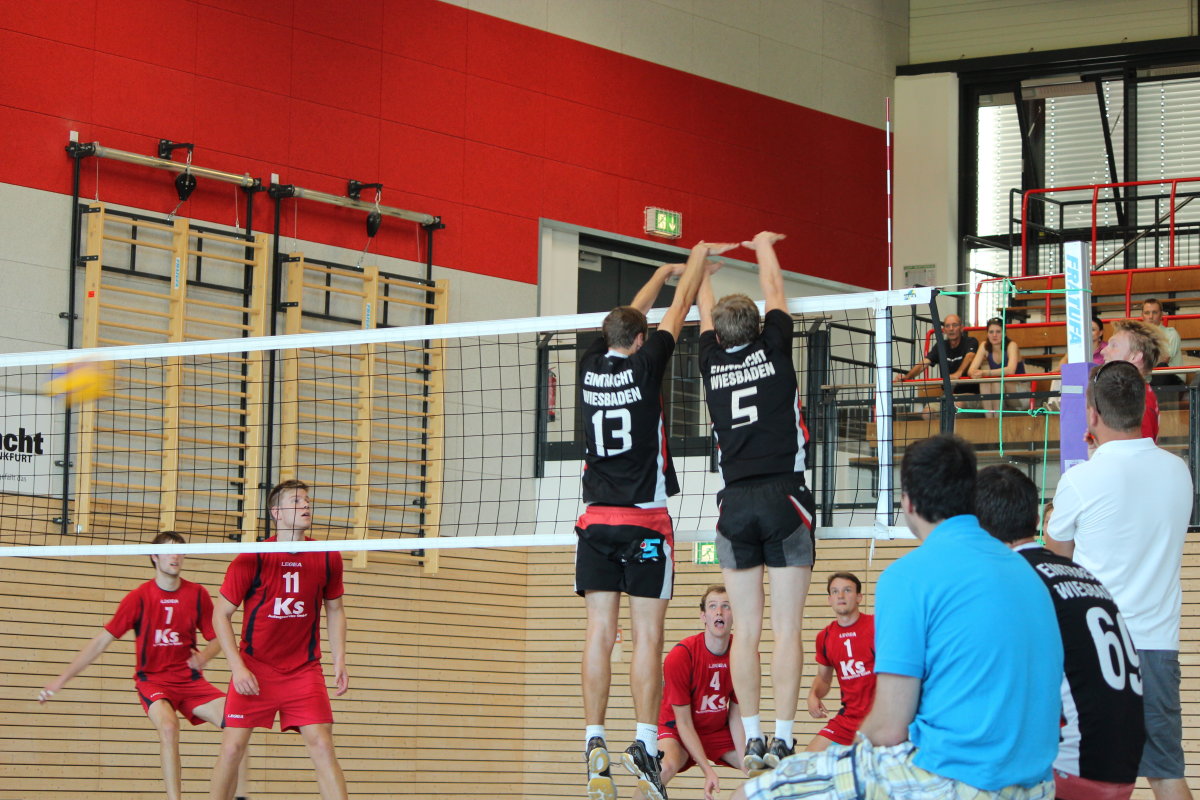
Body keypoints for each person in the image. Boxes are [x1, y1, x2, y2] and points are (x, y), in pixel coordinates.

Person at [733, 434, 1062, 800]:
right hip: (1038, 784)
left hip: (961, 781)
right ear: (971, 495)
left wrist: (850, 754)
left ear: (907, 501)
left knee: (754, 793)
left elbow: (889, 727)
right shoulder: (1028, 574)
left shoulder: (908, 576)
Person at [577, 239, 733, 800]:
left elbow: (635, 316)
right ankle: (645, 737)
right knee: (648, 635)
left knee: (600, 631)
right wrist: (693, 263)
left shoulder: (591, 365)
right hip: (644, 523)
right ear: (639, 341)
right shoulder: (647, 364)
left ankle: (594, 736)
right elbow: (679, 305)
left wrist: (663, 272)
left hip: (594, 522)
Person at [1047, 361, 1194, 800]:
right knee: (1166, 773)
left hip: (1097, 649)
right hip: (1157, 647)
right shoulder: (1179, 471)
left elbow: (1057, 565)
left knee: (1084, 778)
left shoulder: (1081, 480)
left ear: (1091, 415)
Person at [697, 230, 815, 775]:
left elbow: (703, 315)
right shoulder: (775, 348)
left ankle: (755, 737)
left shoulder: (709, 361)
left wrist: (702, 271)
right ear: (759, 328)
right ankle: (786, 739)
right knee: (786, 628)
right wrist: (763, 243)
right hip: (785, 496)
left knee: (746, 628)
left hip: (734, 505)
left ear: (719, 334)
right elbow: (773, 286)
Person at [976, 464, 1145, 800]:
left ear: (977, 527)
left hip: (1068, 772)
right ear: (1036, 520)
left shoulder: (1011, 577)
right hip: (1123, 765)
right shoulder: (1082, 574)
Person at [38, 531, 247, 800]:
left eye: (180, 551)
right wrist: (61, 679)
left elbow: (217, 638)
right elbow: (101, 641)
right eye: (169, 551)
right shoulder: (139, 597)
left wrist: (205, 656)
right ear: (154, 557)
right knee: (169, 727)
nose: (175, 556)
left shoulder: (196, 594)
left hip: (191, 683)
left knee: (239, 722)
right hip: (154, 681)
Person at [208, 479, 349, 800]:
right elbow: (220, 615)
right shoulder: (252, 557)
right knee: (232, 748)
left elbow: (336, 609)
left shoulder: (327, 555)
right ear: (276, 512)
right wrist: (238, 668)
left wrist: (339, 658)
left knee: (323, 744)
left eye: (307, 500)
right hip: (256, 669)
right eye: (297, 501)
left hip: (303, 670)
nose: (306, 505)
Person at [649, 585, 745, 800]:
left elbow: (737, 715)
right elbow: (683, 722)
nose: (719, 612)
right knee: (664, 768)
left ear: (734, 614)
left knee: (763, 769)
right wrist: (707, 770)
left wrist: (747, 760)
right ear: (704, 616)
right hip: (678, 730)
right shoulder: (681, 656)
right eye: (712, 606)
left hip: (716, 731)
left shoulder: (744, 654)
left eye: (726, 606)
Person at [805, 572, 875, 753]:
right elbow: (824, 678)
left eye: (847, 590)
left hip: (881, 717)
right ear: (829, 599)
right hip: (849, 719)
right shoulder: (825, 637)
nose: (841, 596)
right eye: (835, 591)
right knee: (805, 763)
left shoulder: (877, 626)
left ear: (859, 597)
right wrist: (814, 694)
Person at [1101, 318, 1166, 440]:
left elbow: (1140, 455)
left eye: (1114, 345)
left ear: (1135, 356)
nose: (1103, 351)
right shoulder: (1134, 394)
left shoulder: (1139, 400)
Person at [895, 313, 980, 395]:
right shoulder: (940, 346)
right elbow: (924, 363)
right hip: (947, 396)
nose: (951, 329)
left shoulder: (970, 341)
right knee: (927, 410)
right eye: (947, 326)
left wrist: (958, 374)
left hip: (970, 394)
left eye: (955, 325)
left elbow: (970, 356)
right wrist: (907, 377)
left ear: (961, 328)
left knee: (955, 405)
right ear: (944, 330)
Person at [967, 316, 1027, 411]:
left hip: (1021, 394)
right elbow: (971, 370)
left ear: (1004, 333)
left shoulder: (1012, 345)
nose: (994, 335)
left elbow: (1010, 370)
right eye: (991, 332)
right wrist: (975, 373)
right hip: (1002, 390)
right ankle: (990, 419)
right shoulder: (984, 345)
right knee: (985, 382)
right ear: (987, 334)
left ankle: (996, 419)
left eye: (998, 332)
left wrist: (985, 373)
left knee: (995, 381)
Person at [1142, 298, 1182, 366]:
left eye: (1154, 312)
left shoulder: (1171, 334)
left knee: (1161, 365)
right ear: (1142, 315)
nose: (1151, 317)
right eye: (1147, 313)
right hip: (1148, 375)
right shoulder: (1138, 336)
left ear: (1161, 315)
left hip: (1170, 374)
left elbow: (1164, 360)